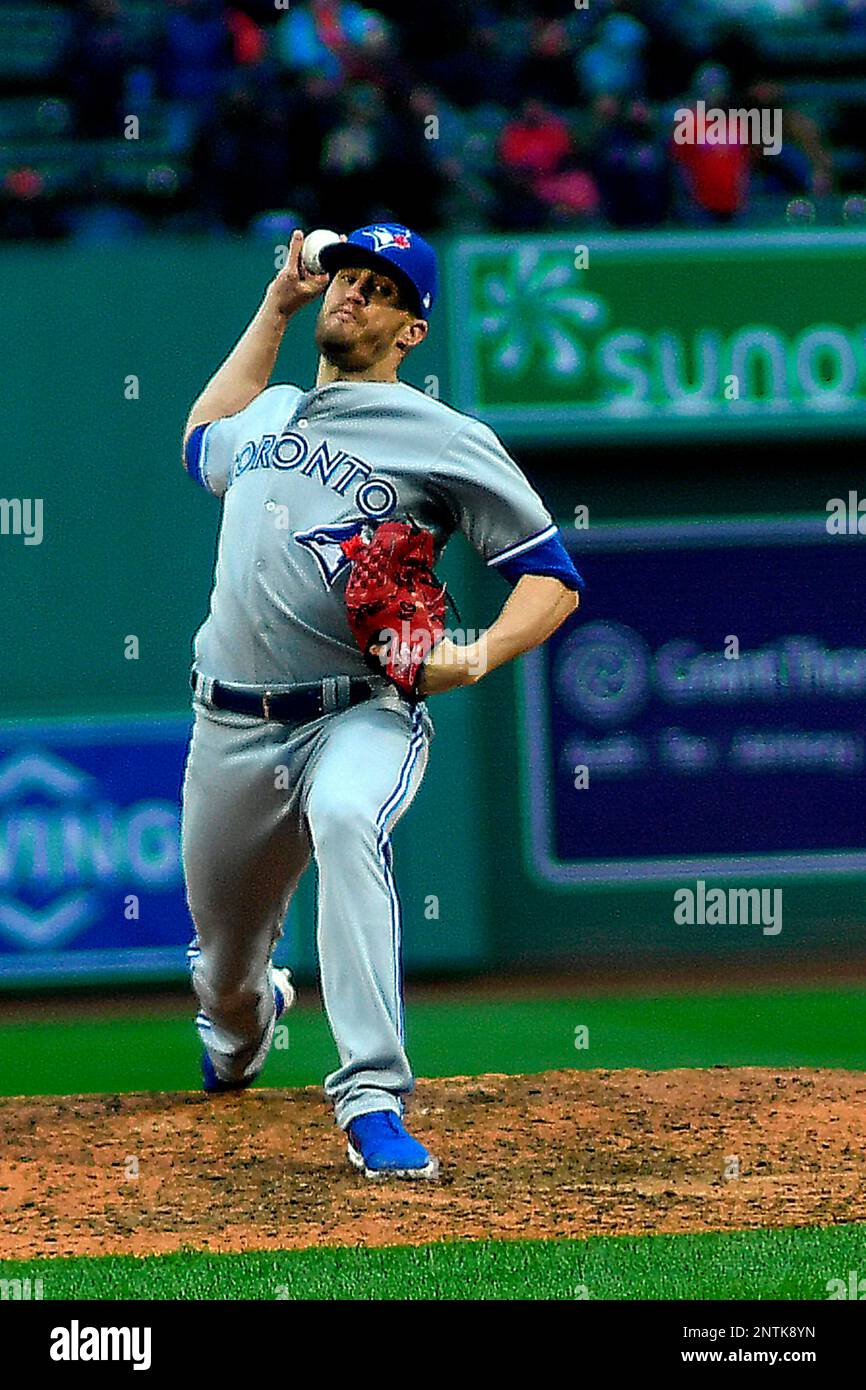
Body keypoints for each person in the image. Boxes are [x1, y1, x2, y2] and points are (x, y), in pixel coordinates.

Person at [180, 223, 583, 1178]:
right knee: (224, 986)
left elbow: (551, 575)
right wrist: (275, 306)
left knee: (350, 817)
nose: (352, 294)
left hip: (358, 712)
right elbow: (200, 439)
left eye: (379, 288)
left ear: (412, 328)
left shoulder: (443, 439)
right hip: (229, 725)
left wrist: (478, 653)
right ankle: (249, 1023)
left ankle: (371, 1099)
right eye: (346, 278)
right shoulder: (273, 412)